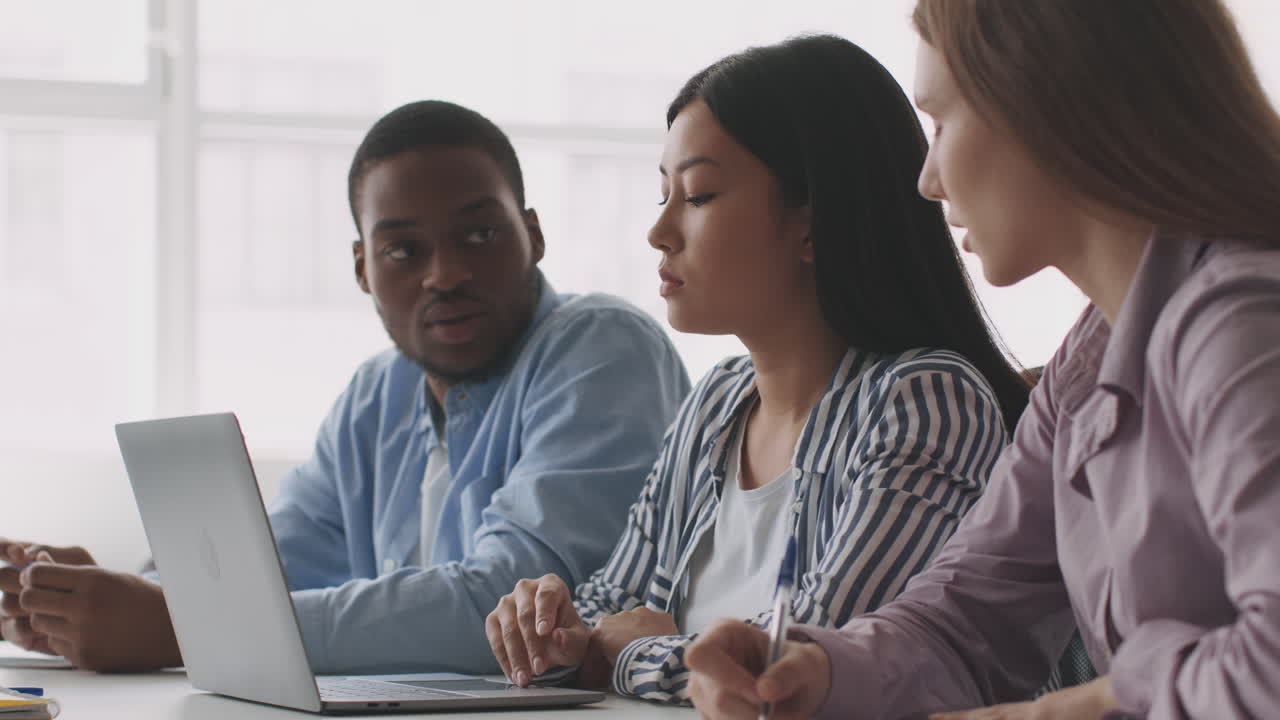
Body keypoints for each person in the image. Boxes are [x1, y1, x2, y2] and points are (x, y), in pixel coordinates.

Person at [684, 2, 1280, 719]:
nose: (927, 180)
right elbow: (965, 621)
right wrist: (815, 671)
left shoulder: (1242, 324)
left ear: (1044, 100)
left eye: (939, 126)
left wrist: (1075, 707)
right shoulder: (1085, 370)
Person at [0, 100, 691, 674]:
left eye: (479, 234)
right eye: (402, 250)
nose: (444, 273)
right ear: (363, 268)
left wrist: (183, 626)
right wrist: (99, 604)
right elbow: (271, 564)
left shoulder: (602, 348)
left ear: (533, 235)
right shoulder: (376, 395)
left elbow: (506, 603)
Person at [485, 35, 1033, 705]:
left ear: (812, 224)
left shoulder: (924, 399)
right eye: (664, 194)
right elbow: (611, 602)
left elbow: (804, 663)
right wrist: (558, 633)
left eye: (699, 195)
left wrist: (623, 653)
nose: (659, 231)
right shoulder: (717, 401)